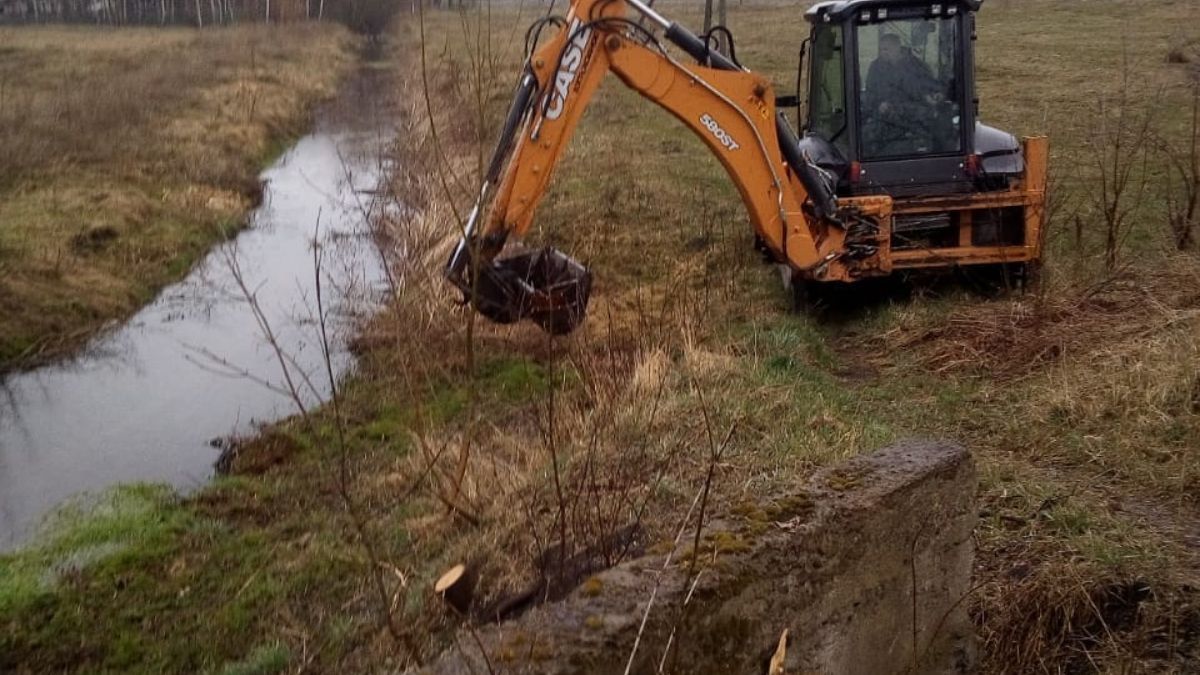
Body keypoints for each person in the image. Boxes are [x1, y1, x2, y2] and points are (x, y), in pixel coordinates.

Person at [863, 32, 945, 155]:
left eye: (886, 49)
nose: (883, 53)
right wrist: (879, 104)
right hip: (885, 122)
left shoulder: (917, 66)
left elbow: (932, 89)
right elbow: (869, 93)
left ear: (898, 48)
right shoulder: (875, 68)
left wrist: (936, 95)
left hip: (915, 123)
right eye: (881, 49)